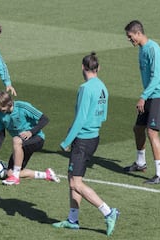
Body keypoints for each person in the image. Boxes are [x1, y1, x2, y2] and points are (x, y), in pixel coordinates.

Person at [52, 52, 119, 236]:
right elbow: (103, 114)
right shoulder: (103, 86)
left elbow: (80, 118)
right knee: (71, 177)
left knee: (76, 183)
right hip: (94, 137)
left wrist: (67, 141)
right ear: (98, 68)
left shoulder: (85, 88)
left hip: (82, 139)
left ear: (83, 67)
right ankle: (72, 219)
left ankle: (108, 211)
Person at [123, 20, 160, 184]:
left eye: (130, 37)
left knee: (152, 132)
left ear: (138, 33)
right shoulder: (142, 50)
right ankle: (140, 163)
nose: (130, 40)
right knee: (138, 129)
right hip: (150, 95)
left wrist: (143, 96)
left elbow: (157, 77)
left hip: (159, 95)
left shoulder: (153, 49)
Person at [0, 90, 60, 186]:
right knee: (9, 173)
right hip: (20, 146)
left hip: (36, 139)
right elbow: (1, 134)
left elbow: (44, 119)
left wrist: (31, 132)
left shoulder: (23, 107)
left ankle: (15, 176)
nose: (0, 112)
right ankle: (47, 175)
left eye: (2, 109)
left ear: (9, 103)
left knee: (16, 140)